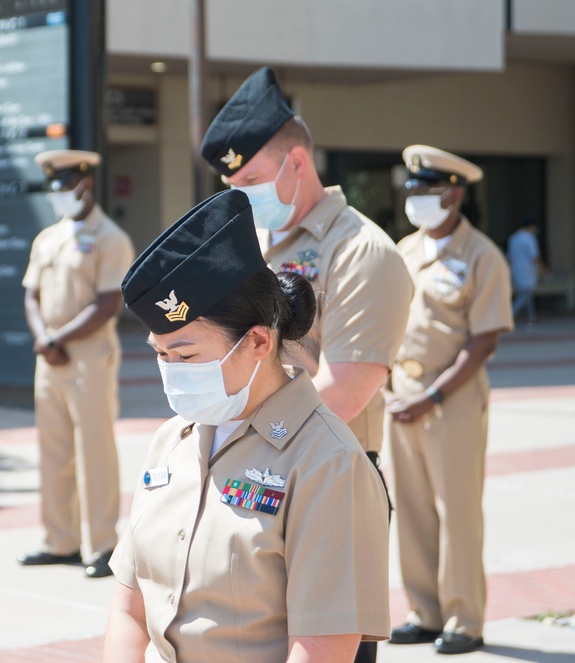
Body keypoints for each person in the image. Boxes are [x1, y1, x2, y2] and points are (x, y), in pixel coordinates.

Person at [104, 189, 390, 662]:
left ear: (257, 342)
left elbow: (320, 648)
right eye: (161, 354)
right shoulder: (171, 441)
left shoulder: (328, 463)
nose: (173, 371)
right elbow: (129, 611)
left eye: (188, 355)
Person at [200, 69, 412, 663]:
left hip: (326, 478)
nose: (241, 194)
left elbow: (345, 389)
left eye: (252, 179)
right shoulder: (256, 247)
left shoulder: (363, 252)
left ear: (297, 162)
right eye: (231, 183)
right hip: (251, 467)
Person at [385, 146, 514, 655]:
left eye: (428, 192)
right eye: (412, 192)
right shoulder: (404, 250)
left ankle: (465, 619)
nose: (417, 201)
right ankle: (425, 610)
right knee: (412, 509)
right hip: (401, 395)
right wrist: (391, 387)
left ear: (456, 194)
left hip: (451, 397)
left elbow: (484, 340)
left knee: (456, 511)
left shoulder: (481, 255)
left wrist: (433, 394)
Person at [17, 149, 135, 579]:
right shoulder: (48, 237)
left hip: (88, 356)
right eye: (54, 188)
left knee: (94, 450)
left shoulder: (110, 237)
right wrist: (43, 340)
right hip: (50, 356)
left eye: (65, 186)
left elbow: (108, 303)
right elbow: (31, 293)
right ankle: (60, 540)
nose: (59, 195)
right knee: (53, 450)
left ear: (85, 184)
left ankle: (103, 545)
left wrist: (57, 338)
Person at [506, 214, 547, 324]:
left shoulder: (513, 238)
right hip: (527, 271)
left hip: (516, 270)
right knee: (525, 294)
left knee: (528, 295)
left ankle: (531, 317)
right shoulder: (529, 239)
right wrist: (543, 270)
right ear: (531, 225)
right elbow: (535, 257)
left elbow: (509, 257)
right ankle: (509, 314)